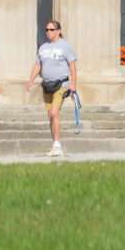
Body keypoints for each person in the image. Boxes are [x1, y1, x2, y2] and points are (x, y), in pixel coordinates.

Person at [26, 18, 78, 156]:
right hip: (47, 85)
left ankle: (57, 145)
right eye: (47, 30)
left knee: (54, 113)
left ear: (59, 31)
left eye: (52, 30)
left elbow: (72, 66)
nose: (48, 32)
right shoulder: (43, 47)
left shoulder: (65, 46)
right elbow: (38, 65)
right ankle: (55, 144)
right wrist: (31, 79)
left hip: (61, 84)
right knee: (50, 115)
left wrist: (73, 84)